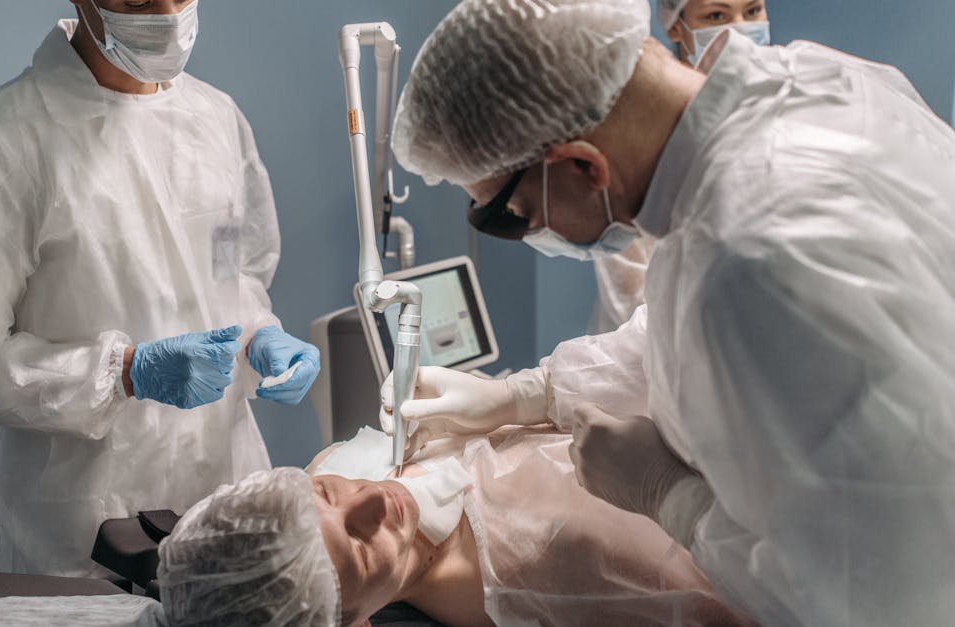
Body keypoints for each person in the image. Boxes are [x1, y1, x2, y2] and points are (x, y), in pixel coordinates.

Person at [382, 0, 955, 625]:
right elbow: (715, 344)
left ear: (582, 164)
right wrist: (529, 394)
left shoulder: (747, 256)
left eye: (513, 216)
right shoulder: (814, 83)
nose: (536, 230)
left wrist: (672, 500)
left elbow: (880, 595)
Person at [0, 0, 319, 578]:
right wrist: (124, 372)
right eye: (139, 1)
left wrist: (260, 338)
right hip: (88, 538)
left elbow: (233, 275)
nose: (167, 14)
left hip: (228, 497)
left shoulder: (215, 118)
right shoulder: (1, 141)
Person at [156, 427, 755, 626]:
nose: (373, 501)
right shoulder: (545, 575)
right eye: (360, 549)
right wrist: (672, 496)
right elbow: (754, 598)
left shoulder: (330, 465)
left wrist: (526, 394)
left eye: (325, 493)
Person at [590, 0, 773, 334]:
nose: (740, 29)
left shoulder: (782, 108)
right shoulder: (643, 134)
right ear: (676, 25)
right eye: (716, 15)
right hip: (655, 350)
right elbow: (631, 303)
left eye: (752, 11)